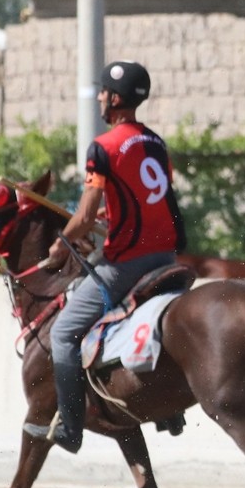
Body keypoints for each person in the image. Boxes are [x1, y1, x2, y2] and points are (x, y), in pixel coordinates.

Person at [38, 60, 186, 453]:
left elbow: (84, 216)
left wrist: (62, 243)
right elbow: (149, 197)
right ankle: (168, 410)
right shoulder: (155, 142)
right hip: (165, 258)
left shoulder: (102, 148)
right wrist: (113, 212)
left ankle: (70, 428)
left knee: (63, 333)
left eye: (104, 91)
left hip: (127, 263)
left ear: (116, 99)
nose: (100, 97)